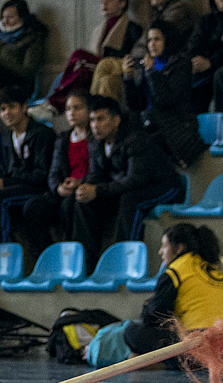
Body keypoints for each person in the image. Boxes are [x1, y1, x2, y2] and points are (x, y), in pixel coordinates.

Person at [77, 96, 182, 261]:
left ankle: (125, 260)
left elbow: (136, 179)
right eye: (92, 120)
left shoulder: (135, 139)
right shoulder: (96, 142)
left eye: (101, 119)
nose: (95, 125)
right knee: (84, 201)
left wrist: (98, 189)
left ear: (116, 120)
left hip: (164, 186)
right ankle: (86, 262)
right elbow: (97, 174)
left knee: (131, 200)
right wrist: (85, 187)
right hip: (128, 187)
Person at [120, 223, 223, 355]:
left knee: (132, 332)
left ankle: (165, 364)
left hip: (201, 345)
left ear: (179, 248)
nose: (160, 252)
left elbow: (154, 315)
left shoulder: (176, 271)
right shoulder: (213, 269)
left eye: (165, 246)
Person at [0, 85, 54, 250]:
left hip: (39, 189)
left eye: (11, 106)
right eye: (2, 109)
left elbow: (41, 175)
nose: (6, 113)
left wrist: (5, 183)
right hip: (17, 187)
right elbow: (3, 170)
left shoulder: (42, 134)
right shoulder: (5, 137)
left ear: (25, 106)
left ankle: (4, 254)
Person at [20, 91, 94, 257]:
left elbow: (99, 169)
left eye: (77, 108)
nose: (71, 113)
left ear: (89, 110)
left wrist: (80, 182)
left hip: (85, 189)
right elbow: (54, 171)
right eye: (68, 109)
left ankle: (75, 258)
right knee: (32, 207)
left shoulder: (95, 137)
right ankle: (46, 257)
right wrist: (58, 188)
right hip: (65, 190)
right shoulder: (62, 139)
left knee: (69, 206)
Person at [123, 24, 207, 167]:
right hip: (151, 124)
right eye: (149, 40)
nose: (152, 44)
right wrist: (128, 78)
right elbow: (135, 105)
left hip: (175, 127)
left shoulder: (181, 64)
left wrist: (151, 72)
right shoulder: (149, 65)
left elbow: (165, 99)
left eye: (157, 39)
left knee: (141, 148)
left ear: (168, 40)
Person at [0, 0, 50, 90]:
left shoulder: (33, 35)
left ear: (22, 17)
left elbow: (28, 70)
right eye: (3, 17)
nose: (5, 22)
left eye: (11, 17)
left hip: (16, 80)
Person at [87, 0, 139, 104]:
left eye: (109, 0)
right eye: (102, 0)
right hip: (98, 69)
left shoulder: (132, 28)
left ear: (122, 3)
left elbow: (132, 56)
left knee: (107, 80)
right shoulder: (98, 30)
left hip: (118, 69)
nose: (104, 4)